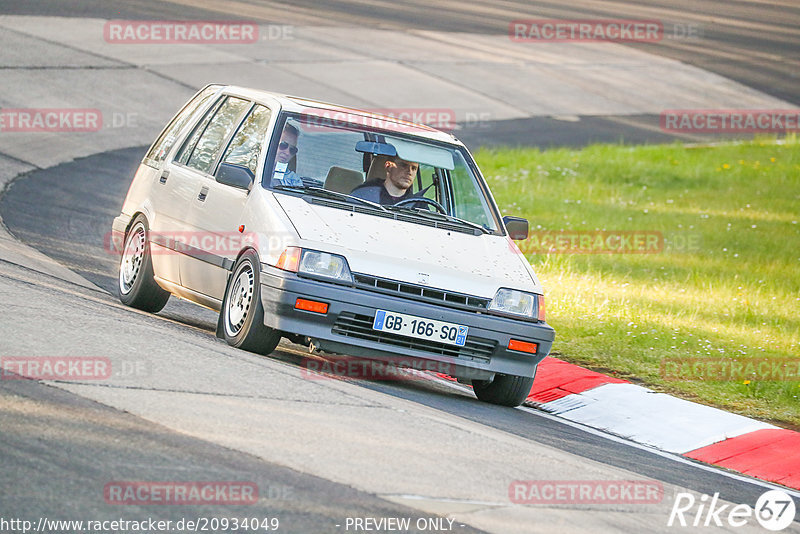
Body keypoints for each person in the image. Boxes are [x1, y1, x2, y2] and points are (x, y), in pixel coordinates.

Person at [350, 155, 419, 205]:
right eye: (403, 166)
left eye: (414, 168)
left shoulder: (418, 205)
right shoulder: (363, 196)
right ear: (388, 167)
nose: (410, 172)